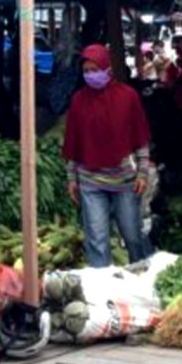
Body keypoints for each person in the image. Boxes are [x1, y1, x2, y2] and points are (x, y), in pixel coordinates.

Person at [63, 44, 153, 268]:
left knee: (132, 236)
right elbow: (73, 143)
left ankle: (141, 277)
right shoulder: (78, 101)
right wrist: (72, 179)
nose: (91, 75)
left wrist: (142, 173)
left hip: (124, 180)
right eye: (86, 71)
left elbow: (139, 137)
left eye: (95, 69)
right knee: (97, 240)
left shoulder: (127, 97)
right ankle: (102, 290)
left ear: (107, 68)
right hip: (91, 181)